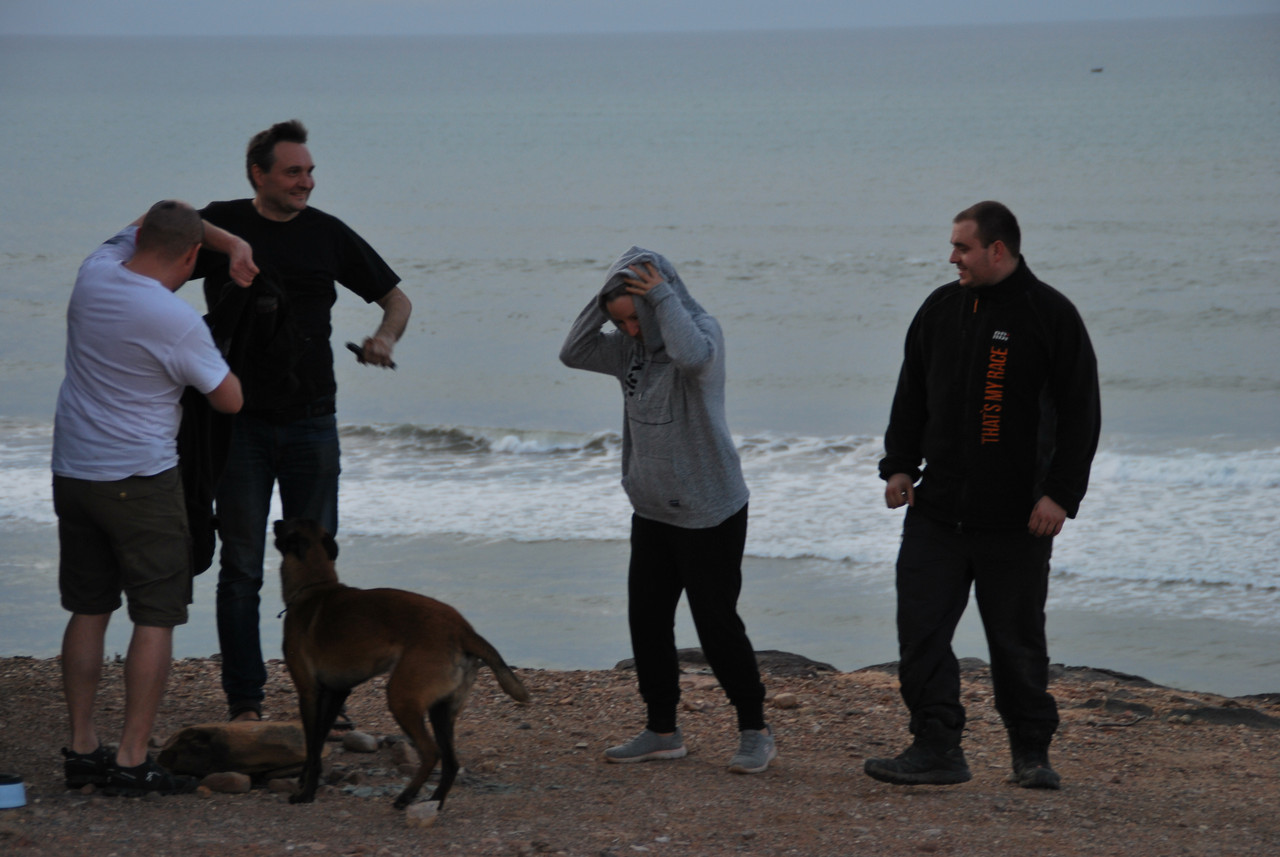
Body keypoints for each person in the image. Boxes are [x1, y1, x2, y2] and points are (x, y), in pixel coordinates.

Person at [865, 201, 1101, 790]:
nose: (952, 258)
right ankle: (937, 747)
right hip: (937, 511)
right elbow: (911, 392)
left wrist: (1060, 496)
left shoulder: (1050, 314)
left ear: (997, 249)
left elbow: (1082, 414)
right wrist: (898, 466)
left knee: (1017, 644)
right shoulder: (941, 307)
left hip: (1018, 519)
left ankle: (1031, 754)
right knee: (920, 634)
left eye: (962, 247)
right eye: (953, 246)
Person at [192, 119, 413, 723]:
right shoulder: (221, 225)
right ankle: (246, 702)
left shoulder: (327, 233)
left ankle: (326, 701)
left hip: (312, 423)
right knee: (240, 569)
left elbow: (397, 298)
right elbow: (153, 253)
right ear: (258, 174)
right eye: (293, 172)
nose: (306, 182)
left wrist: (385, 339)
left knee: (317, 573)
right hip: (238, 424)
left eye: (310, 172)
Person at [53, 201, 247, 796]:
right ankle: (133, 760)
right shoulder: (174, 319)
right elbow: (229, 399)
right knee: (155, 615)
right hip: (140, 479)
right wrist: (236, 249)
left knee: (89, 608)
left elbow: (148, 217)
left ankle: (82, 748)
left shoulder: (94, 272)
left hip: (74, 471)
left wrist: (227, 241)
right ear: (191, 257)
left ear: (141, 241)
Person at [559, 247, 775, 774]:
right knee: (648, 622)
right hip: (653, 509)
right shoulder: (626, 352)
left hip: (709, 511)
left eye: (634, 319)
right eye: (619, 323)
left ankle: (755, 730)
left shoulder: (702, 333)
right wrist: (608, 290)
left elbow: (692, 358)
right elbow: (572, 351)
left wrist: (660, 295)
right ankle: (662, 731)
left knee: (716, 627)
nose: (629, 331)